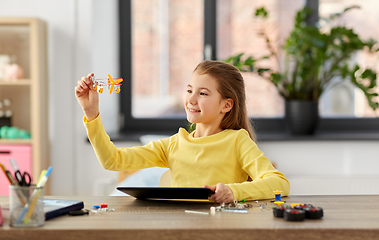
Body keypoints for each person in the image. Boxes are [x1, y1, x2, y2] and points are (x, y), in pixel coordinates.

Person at [75, 60, 290, 203]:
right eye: (189, 90)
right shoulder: (173, 144)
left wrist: (233, 192)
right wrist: (92, 113)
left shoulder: (237, 141)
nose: (191, 99)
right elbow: (112, 160)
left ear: (226, 105)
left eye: (203, 93)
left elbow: (279, 183)